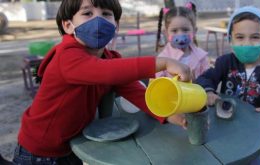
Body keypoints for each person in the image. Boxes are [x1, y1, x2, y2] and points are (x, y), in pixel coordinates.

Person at [13, 0, 190, 164]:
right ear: (68, 25)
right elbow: (107, 72)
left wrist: (166, 114)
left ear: (116, 26)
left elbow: (138, 94)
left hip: (73, 146)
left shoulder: (109, 58)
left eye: (106, 14)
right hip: (39, 150)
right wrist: (163, 63)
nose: (98, 19)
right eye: (87, 13)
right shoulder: (66, 56)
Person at [195, 6, 260, 165]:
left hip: (258, 135)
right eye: (240, 37)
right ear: (230, 39)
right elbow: (204, 79)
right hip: (226, 129)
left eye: (255, 37)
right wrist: (208, 92)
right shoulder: (225, 62)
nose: (246, 44)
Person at [155, 2, 209, 79]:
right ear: (166, 33)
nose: (180, 34)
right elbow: (157, 85)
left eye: (185, 29)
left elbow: (208, 81)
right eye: (174, 30)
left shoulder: (202, 57)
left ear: (194, 31)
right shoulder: (162, 60)